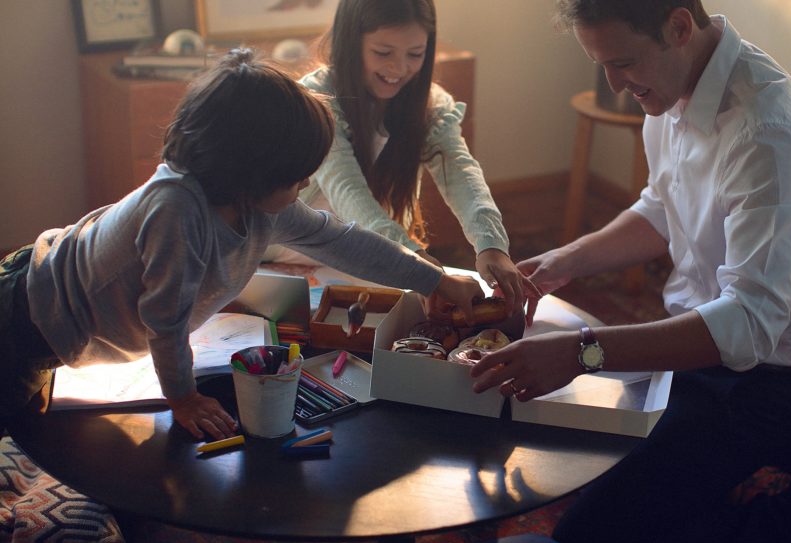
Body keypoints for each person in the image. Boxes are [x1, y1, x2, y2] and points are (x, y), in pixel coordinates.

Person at [458, 1, 791, 543]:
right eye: (601, 65)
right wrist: (565, 260)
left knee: (586, 541)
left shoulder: (769, 133)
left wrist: (583, 351)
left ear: (678, 27)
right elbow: (663, 208)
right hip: (689, 355)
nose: (615, 86)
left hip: (766, 383)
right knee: (574, 460)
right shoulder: (670, 85)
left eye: (621, 63)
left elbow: (748, 325)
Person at [0, 49, 483, 442]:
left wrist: (434, 277)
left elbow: (343, 241)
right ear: (251, 171)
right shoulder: (177, 211)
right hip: (25, 322)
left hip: (60, 327)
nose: (302, 188)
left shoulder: (258, 204)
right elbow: (164, 323)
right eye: (296, 178)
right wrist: (183, 399)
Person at [264, 0, 533, 314]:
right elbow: (348, 192)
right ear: (351, 41)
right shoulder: (318, 100)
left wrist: (491, 244)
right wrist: (417, 264)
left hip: (374, 255)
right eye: (383, 52)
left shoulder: (431, 104)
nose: (399, 68)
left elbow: (461, 172)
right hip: (290, 256)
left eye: (415, 54)